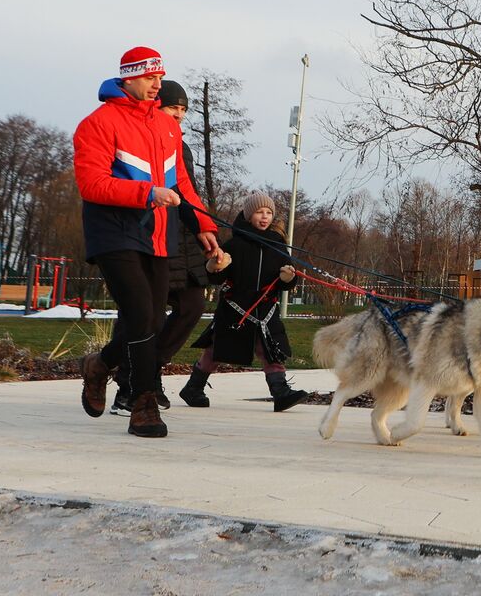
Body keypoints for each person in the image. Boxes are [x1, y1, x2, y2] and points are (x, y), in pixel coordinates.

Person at [74, 47, 219, 439]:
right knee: (140, 313)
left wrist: (203, 224)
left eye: (160, 76)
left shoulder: (166, 126)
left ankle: (100, 365)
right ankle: (143, 403)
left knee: (153, 319)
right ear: (130, 78)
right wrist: (147, 193)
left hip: (157, 233)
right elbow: (92, 184)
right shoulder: (98, 123)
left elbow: (181, 183)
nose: (158, 83)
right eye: (151, 76)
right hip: (114, 232)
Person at [109, 80, 211, 414]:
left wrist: (204, 229)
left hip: (180, 237)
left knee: (192, 305)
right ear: (156, 107)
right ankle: (129, 386)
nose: (179, 115)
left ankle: (150, 370)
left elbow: (188, 193)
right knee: (140, 314)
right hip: (143, 233)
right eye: (172, 108)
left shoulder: (182, 147)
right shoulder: (138, 136)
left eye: (183, 110)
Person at [185, 193, 308, 412]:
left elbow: (286, 281)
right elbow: (217, 277)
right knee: (216, 349)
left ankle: (280, 392)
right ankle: (194, 388)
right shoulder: (235, 243)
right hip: (235, 307)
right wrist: (215, 266)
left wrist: (289, 278)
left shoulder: (278, 245)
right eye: (260, 212)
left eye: (269, 213)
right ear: (249, 214)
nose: (264, 217)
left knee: (270, 348)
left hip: (266, 308)